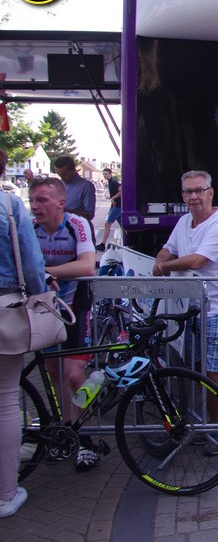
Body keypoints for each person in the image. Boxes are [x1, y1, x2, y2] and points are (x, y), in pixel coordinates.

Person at [152, 171, 218, 450]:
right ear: (182, 196)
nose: (194, 196)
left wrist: (164, 267)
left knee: (213, 373)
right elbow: (168, 248)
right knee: (198, 370)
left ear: (210, 193)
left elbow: (197, 261)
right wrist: (160, 260)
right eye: (188, 192)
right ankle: (204, 425)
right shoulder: (184, 222)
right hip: (194, 309)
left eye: (199, 190)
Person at [29, 177, 99, 470]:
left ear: (60, 202)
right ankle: (64, 431)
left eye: (42, 200)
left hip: (76, 308)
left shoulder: (77, 224)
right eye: (32, 200)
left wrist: (44, 272)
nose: (35, 206)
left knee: (73, 375)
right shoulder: (30, 228)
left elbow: (87, 265)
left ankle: (87, 438)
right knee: (53, 373)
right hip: (45, 308)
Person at [0, 149, 46, 517]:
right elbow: (31, 264)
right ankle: (5, 493)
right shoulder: (9, 206)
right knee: (5, 402)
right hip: (5, 307)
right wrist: (41, 296)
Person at [52, 156, 96, 223]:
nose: (62, 178)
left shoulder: (86, 186)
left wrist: (66, 212)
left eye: (64, 175)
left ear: (73, 170)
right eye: (59, 175)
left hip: (78, 227)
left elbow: (89, 214)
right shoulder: (58, 185)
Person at [96, 167, 122, 252]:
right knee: (122, 225)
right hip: (116, 206)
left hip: (117, 206)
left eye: (106, 174)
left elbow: (121, 191)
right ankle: (125, 241)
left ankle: (102, 244)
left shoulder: (113, 182)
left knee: (107, 223)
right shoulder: (110, 182)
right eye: (103, 174)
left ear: (110, 174)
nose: (104, 176)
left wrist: (113, 198)